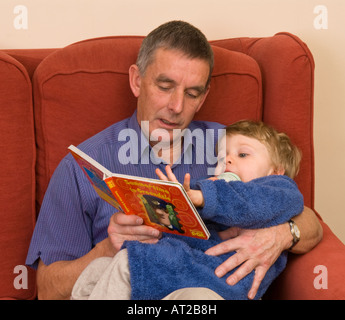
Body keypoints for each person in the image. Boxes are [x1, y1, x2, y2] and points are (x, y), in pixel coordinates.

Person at [26, 20, 322, 300]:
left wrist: (282, 234)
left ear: (203, 98)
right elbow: (48, 289)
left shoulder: (232, 149)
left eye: (191, 93)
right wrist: (107, 248)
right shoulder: (81, 167)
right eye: (165, 87)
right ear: (137, 81)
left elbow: (307, 219)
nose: (176, 107)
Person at [70, 120, 304, 300]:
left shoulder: (279, 189)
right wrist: (173, 202)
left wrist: (202, 196)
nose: (228, 162)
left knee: (128, 263)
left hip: (224, 284)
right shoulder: (213, 188)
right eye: (222, 157)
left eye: (242, 154)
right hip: (190, 273)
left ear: (277, 170)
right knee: (97, 269)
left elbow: (248, 204)